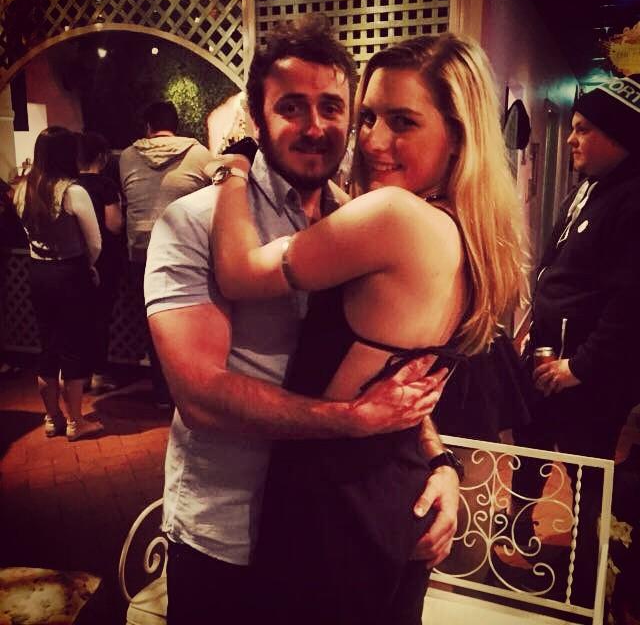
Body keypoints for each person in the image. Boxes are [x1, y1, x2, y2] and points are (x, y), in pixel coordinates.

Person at [145, 16, 455, 625]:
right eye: (291, 107)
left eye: (332, 107)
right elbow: (199, 395)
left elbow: (387, 370)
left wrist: (439, 460)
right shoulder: (194, 222)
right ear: (257, 118)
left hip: (327, 536)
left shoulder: (360, 224)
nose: (315, 127)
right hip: (226, 536)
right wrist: (348, 421)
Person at [211, 32, 526, 623]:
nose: (374, 141)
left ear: (458, 136)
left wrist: (231, 163)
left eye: (403, 122)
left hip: (331, 502)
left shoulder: (394, 216)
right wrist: (441, 461)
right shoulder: (468, 233)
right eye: (370, 117)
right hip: (392, 489)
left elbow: (237, 272)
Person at [513, 73, 640, 606]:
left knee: (588, 478)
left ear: (620, 136)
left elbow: (630, 307)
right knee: (528, 451)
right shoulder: (589, 186)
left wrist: (578, 368)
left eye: (584, 129)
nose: (571, 138)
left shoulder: (632, 200)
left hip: (587, 379)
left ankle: (586, 586)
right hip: (549, 358)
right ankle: (519, 546)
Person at [11, 127, 104, 441]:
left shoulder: (23, 189)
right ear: (68, 154)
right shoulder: (72, 192)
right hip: (69, 272)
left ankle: (52, 418)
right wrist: (88, 266)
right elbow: (95, 242)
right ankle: (77, 422)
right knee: (73, 348)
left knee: (47, 346)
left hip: (38, 272)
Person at [119, 100, 214, 407]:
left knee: (155, 326)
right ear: (176, 126)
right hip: (184, 251)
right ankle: (191, 393)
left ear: (148, 127)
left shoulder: (127, 156)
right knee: (191, 322)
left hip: (140, 252)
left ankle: (163, 393)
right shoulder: (199, 154)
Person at [76, 131, 124, 392]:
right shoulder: (106, 186)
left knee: (80, 317)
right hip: (104, 260)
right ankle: (99, 373)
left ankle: (80, 374)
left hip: (75, 259)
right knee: (101, 317)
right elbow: (114, 225)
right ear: (103, 157)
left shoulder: (71, 186)